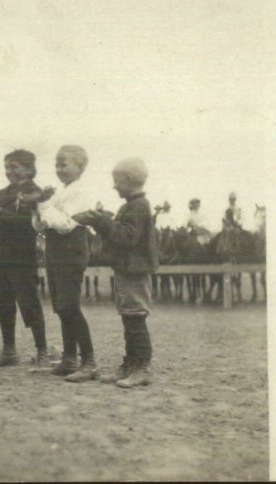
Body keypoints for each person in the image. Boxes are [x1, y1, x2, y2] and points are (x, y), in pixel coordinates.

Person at [73, 157, 159, 388]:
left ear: (129, 180)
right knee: (128, 316)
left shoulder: (139, 206)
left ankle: (142, 368)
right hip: (126, 270)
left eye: (117, 181)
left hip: (135, 272)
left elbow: (128, 237)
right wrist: (102, 220)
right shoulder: (130, 205)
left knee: (135, 318)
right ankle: (130, 364)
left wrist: (101, 221)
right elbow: (121, 233)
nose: (114, 186)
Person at [0, 149, 48, 368]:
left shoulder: (37, 193)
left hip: (23, 257)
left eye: (14, 167)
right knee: (3, 304)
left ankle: (42, 352)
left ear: (29, 169)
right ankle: (9, 352)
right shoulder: (3, 193)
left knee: (30, 303)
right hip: (0, 257)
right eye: (6, 167)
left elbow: (29, 223)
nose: (9, 172)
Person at [33, 145, 97, 382]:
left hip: (71, 251)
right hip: (55, 252)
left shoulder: (81, 193)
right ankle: (69, 358)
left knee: (70, 305)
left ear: (80, 167)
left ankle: (88, 361)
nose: (59, 169)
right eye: (57, 164)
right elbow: (41, 225)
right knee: (61, 306)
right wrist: (40, 208)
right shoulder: (61, 193)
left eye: (64, 164)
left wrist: (44, 205)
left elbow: (65, 224)